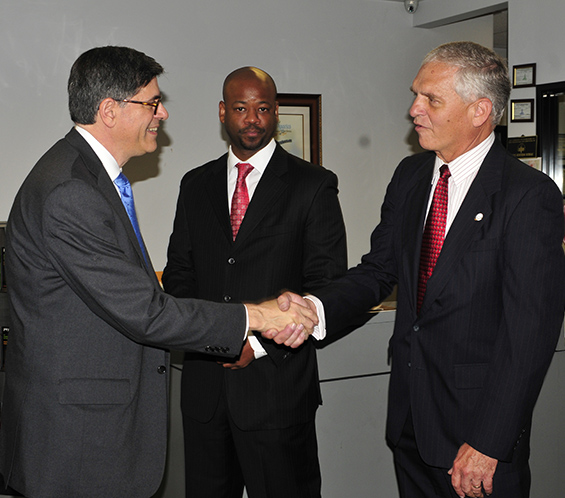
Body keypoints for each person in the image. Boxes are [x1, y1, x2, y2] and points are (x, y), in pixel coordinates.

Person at [0, 47, 315, 498]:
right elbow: (146, 312)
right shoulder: (72, 192)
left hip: (84, 432)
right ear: (110, 111)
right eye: (151, 102)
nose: (162, 113)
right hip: (78, 442)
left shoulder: (85, 178)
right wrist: (261, 316)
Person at [279, 41, 565, 498]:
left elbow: (528, 335)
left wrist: (488, 442)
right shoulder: (411, 176)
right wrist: (312, 307)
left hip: (477, 438)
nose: (413, 109)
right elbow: (378, 271)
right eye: (416, 94)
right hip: (410, 423)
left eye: (431, 99)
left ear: (479, 111)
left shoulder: (528, 197)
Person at [162, 66, 347, 498]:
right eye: (241, 108)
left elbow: (327, 284)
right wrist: (216, 338)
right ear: (223, 112)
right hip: (206, 393)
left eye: (263, 109)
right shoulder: (195, 184)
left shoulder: (313, 185)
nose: (252, 119)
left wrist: (259, 344)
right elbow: (178, 275)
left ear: (276, 113)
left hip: (277, 391)